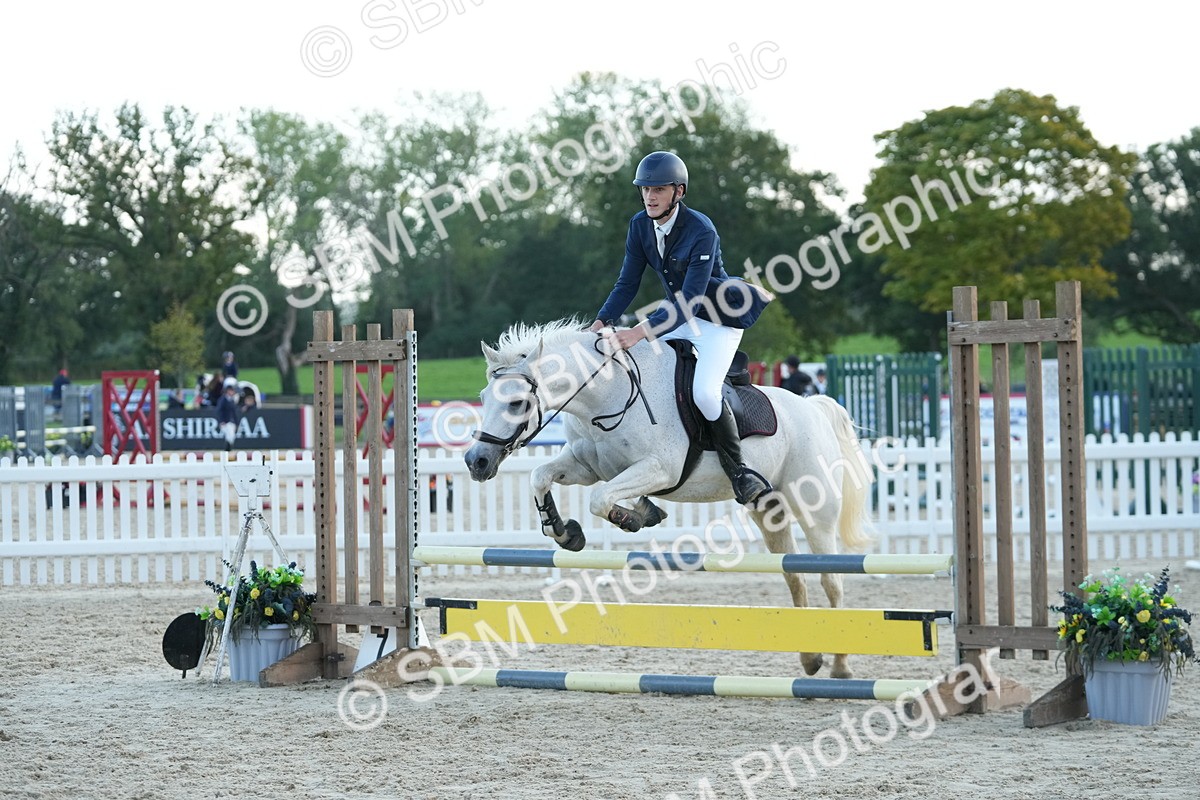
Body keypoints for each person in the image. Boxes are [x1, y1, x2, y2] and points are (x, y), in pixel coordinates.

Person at [589, 151, 774, 506]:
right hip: (676, 317)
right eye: (644, 189)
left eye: (659, 189)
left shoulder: (701, 229)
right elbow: (627, 284)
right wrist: (600, 321)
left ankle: (739, 472)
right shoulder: (639, 225)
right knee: (638, 369)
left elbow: (691, 301)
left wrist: (639, 332)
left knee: (704, 393)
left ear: (679, 191)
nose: (649, 196)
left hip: (716, 321)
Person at [216, 377, 240, 452]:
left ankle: (229, 450)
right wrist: (221, 421)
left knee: (231, 437)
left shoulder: (232, 400)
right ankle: (227, 450)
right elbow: (219, 411)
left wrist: (237, 423)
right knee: (229, 436)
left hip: (232, 421)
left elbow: (234, 412)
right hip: (226, 421)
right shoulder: (223, 399)